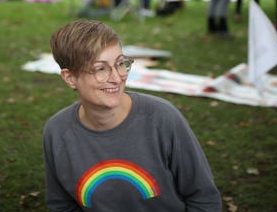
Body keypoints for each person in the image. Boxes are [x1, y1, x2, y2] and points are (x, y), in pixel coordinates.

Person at [44, 20, 222, 211]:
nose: (116, 77)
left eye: (120, 63)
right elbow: (61, 205)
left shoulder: (162, 120)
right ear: (70, 78)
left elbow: (204, 199)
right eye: (100, 68)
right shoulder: (57, 132)